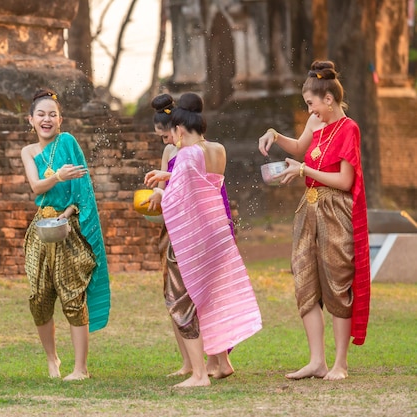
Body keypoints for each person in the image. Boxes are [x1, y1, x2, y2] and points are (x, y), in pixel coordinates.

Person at [258, 60, 370, 381]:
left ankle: (340, 364)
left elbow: (345, 181)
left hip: (337, 210)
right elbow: (298, 147)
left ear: (329, 99)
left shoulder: (349, 129)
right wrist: (274, 134)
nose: (310, 110)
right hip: (308, 208)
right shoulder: (314, 122)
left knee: (337, 283)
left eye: (311, 103)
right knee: (305, 278)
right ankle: (316, 361)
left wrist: (304, 170)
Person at [149, 93, 262, 387]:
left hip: (193, 233)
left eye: (171, 133)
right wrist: (169, 178)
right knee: (212, 296)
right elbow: (206, 187)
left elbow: (182, 197)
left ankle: (199, 374)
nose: (171, 140)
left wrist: (162, 192)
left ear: (181, 129)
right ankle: (222, 363)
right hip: (218, 227)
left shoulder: (187, 154)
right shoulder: (217, 150)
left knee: (183, 299)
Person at [21, 88, 110, 381]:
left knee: (73, 295)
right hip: (40, 230)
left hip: (67, 228)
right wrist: (58, 176)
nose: (46, 119)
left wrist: (67, 214)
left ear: (61, 119)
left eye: (52, 115)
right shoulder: (28, 152)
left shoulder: (68, 142)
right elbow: (35, 187)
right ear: (30, 120)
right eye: (41, 114)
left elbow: (82, 192)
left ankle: (80, 369)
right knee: (38, 297)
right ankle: (52, 359)